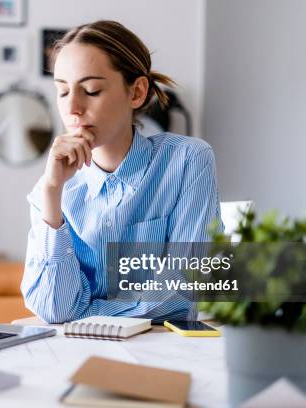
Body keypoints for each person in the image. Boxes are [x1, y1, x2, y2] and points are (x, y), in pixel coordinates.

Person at [21, 20, 223, 324]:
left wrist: (86, 311)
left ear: (137, 92)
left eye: (91, 90)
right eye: (62, 92)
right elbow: (54, 309)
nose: (72, 107)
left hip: (162, 350)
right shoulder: (51, 190)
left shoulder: (187, 161)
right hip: (75, 351)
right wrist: (52, 194)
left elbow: (183, 293)